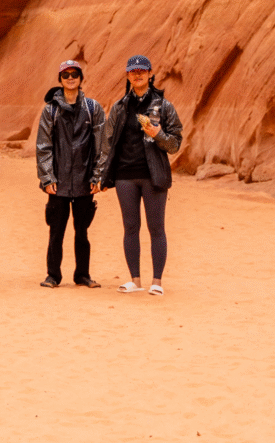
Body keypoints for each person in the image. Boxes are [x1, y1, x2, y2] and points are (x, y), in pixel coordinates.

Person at [93, 55, 182, 296]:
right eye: (133, 71)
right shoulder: (120, 106)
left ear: (151, 74)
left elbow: (175, 144)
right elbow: (107, 143)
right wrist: (100, 175)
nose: (138, 74)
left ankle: (157, 282)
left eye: (142, 70)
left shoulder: (164, 106)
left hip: (153, 176)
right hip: (125, 175)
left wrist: (159, 134)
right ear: (128, 76)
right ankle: (135, 280)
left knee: (156, 228)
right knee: (130, 227)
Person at [35, 60, 106, 289]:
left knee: (82, 231)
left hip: (85, 181)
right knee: (56, 231)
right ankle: (53, 276)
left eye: (75, 74)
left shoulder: (92, 108)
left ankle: (82, 275)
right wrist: (47, 178)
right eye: (66, 75)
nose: (70, 78)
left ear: (81, 78)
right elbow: (43, 146)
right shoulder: (51, 110)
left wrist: (97, 177)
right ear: (60, 79)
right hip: (59, 182)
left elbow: (101, 146)